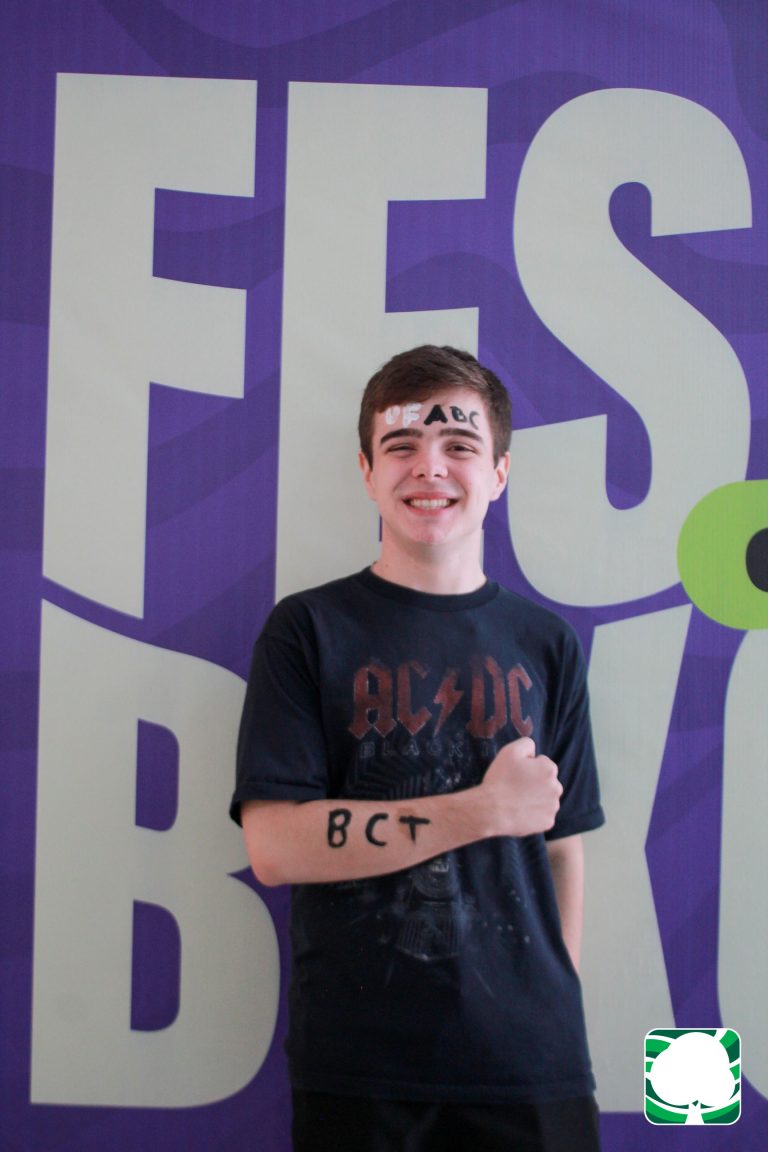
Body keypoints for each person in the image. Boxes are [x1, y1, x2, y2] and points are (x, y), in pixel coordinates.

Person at [231, 345, 605, 1151]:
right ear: (367, 471)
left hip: (533, 1065)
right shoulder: (307, 630)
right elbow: (275, 846)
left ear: (499, 472)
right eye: (401, 445)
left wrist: (555, 996)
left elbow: (562, 848)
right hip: (362, 1068)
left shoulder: (546, 643)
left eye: (459, 445)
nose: (429, 467)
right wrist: (480, 811)